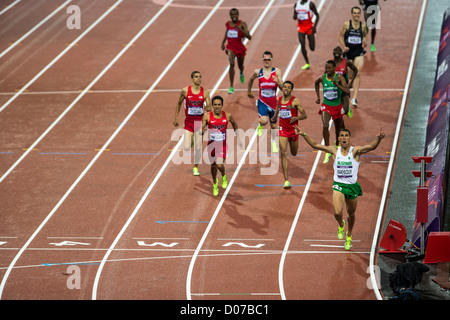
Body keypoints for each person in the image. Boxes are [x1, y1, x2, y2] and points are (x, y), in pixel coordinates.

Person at [294, 126, 385, 250]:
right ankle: (341, 224)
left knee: (351, 213)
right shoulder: (334, 151)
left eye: (346, 136)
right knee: (337, 212)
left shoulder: (355, 151)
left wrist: (379, 139)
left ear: (349, 138)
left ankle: (349, 234)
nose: (344, 138)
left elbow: (371, 147)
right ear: (338, 138)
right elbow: (315, 145)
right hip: (339, 185)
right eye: (341, 135)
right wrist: (303, 134)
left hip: (352, 186)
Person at [174, 71, 211, 176]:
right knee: (186, 146)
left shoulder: (205, 92)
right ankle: (191, 142)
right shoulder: (185, 91)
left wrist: (207, 107)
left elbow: (209, 108)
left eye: (200, 77)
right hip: (189, 122)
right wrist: (176, 118)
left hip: (200, 123)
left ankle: (195, 167)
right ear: (192, 79)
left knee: (198, 147)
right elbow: (179, 103)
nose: (198, 79)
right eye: (196, 77)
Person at [202, 95, 240, 196]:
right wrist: (202, 131)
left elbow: (235, 124)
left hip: (222, 145)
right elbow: (201, 129)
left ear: (222, 105)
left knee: (219, 164)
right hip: (211, 145)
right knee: (213, 165)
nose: (217, 107)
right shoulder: (207, 116)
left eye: (219, 105)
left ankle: (223, 175)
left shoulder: (228, 116)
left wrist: (238, 136)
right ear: (212, 106)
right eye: (215, 105)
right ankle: (215, 182)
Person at [272, 81, 307, 189]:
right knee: (283, 153)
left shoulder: (295, 101)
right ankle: (286, 180)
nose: (286, 89)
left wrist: (296, 118)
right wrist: (274, 116)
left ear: (291, 90)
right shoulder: (279, 99)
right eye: (284, 87)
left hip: (293, 130)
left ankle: (293, 142)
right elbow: (278, 108)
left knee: (294, 152)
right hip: (283, 129)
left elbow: (304, 115)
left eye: (288, 87)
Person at [247, 51, 283, 153]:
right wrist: (249, 91)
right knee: (264, 120)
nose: (267, 61)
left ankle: (273, 142)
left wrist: (278, 81)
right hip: (262, 101)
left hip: (273, 102)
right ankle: (260, 126)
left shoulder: (277, 71)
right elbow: (250, 80)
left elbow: (283, 87)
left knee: (273, 126)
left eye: (268, 59)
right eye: (265, 59)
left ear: (271, 60)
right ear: (263, 60)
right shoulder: (258, 72)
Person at [314, 60, 350, 163]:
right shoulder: (322, 78)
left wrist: (337, 85)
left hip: (337, 107)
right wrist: (318, 97)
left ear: (334, 68)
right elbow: (316, 83)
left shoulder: (339, 78)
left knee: (338, 130)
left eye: (330, 68)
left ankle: (337, 146)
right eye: (326, 68)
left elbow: (347, 91)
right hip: (326, 106)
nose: (328, 70)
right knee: (325, 125)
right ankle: (327, 150)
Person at [339, 6, 367, 108]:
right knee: (350, 75)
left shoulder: (363, 26)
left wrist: (365, 42)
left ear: (360, 14)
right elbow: (340, 36)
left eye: (358, 13)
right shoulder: (347, 25)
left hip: (359, 52)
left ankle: (354, 98)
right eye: (354, 13)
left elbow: (365, 35)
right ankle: (345, 93)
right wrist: (344, 47)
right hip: (349, 52)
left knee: (358, 73)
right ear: (352, 14)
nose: (356, 15)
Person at [221, 8, 252, 94]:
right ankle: (231, 86)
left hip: (240, 48)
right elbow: (227, 32)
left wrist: (240, 29)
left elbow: (249, 37)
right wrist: (223, 42)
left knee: (240, 66)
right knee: (231, 63)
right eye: (232, 15)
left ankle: (241, 72)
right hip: (230, 47)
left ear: (238, 15)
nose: (234, 16)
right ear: (230, 15)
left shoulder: (242, 24)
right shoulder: (228, 24)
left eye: (235, 14)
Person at [293, 0, 320, 70]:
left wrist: (314, 27)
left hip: (309, 27)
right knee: (302, 44)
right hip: (301, 27)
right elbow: (294, 16)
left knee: (312, 48)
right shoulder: (297, 4)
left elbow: (317, 15)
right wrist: (295, 16)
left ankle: (309, 47)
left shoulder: (310, 4)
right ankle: (307, 62)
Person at [332, 46, 358, 118]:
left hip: (344, 88)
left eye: (339, 51)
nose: (337, 52)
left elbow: (355, 70)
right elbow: (326, 75)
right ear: (333, 53)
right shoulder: (330, 63)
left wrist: (352, 82)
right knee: (337, 110)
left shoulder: (345, 62)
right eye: (335, 50)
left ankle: (347, 109)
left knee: (345, 110)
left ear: (341, 53)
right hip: (334, 88)